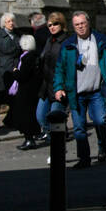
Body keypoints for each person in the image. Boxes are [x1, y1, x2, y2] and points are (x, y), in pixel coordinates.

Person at [54, 11, 106, 168]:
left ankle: (102, 148)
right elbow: (60, 68)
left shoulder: (102, 41)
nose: (80, 27)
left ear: (88, 23)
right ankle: (84, 158)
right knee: (79, 127)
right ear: (73, 26)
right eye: (77, 25)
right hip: (76, 93)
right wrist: (58, 88)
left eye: (83, 23)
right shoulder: (68, 45)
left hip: (97, 91)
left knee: (100, 121)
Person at [4, 34, 43, 150]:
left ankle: (29, 139)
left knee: (25, 116)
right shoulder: (36, 56)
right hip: (33, 90)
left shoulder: (26, 58)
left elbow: (22, 76)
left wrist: (15, 71)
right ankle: (31, 138)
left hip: (26, 91)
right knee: (31, 115)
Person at [37, 11, 68, 145]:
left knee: (55, 116)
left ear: (61, 24)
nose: (52, 27)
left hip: (59, 86)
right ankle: (57, 136)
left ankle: (57, 146)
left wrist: (63, 87)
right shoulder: (49, 40)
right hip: (46, 86)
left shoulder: (67, 41)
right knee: (40, 117)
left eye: (55, 24)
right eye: (49, 25)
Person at [0, 11, 20, 132]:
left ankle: (10, 118)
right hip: (2, 69)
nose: (11, 23)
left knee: (13, 95)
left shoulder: (17, 35)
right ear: (4, 23)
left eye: (12, 21)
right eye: (8, 21)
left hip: (14, 69)